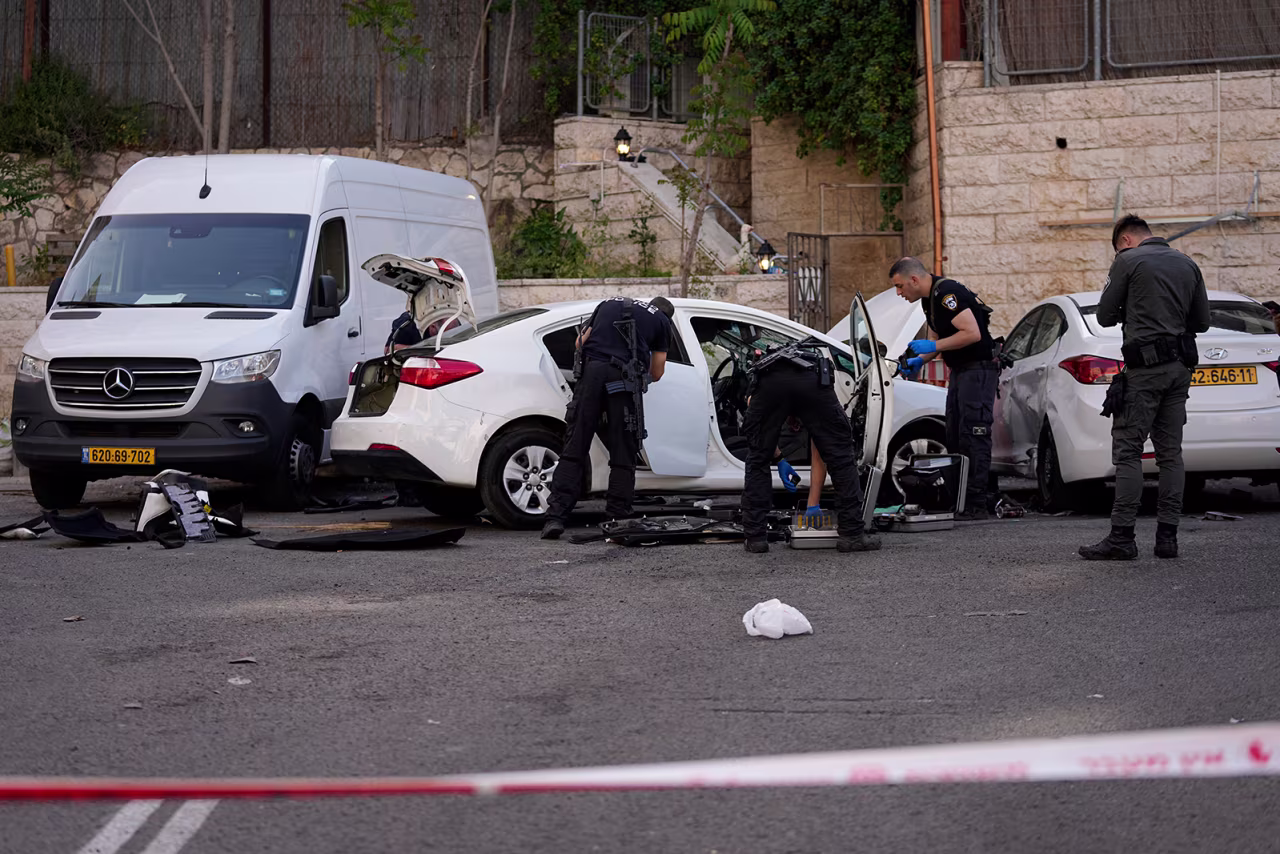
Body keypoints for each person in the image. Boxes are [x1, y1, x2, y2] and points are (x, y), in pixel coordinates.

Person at [1079, 215, 1210, 561]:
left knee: (1128, 451)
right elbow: (1202, 322)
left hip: (1144, 371)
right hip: (1179, 369)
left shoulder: (1127, 260)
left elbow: (1105, 316)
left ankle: (1122, 537)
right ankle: (1168, 538)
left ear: (1124, 239)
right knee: (1171, 454)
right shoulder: (1188, 263)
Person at [540, 296, 675, 539]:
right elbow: (657, 371)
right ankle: (617, 517)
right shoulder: (662, 320)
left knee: (575, 447)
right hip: (622, 382)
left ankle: (555, 517)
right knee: (623, 451)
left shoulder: (610, 303)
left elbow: (581, 342)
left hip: (591, 375)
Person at [739, 339, 880, 553]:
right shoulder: (820, 386)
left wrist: (775, 457)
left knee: (757, 459)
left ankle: (756, 538)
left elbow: (760, 441)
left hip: (771, 384)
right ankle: (851, 534)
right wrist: (781, 460)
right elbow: (827, 451)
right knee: (841, 458)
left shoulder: (762, 380)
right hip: (811, 381)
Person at [888, 257, 997, 520]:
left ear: (914, 279)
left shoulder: (948, 293)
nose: (899, 293)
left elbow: (972, 333)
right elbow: (936, 339)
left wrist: (933, 348)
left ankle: (977, 503)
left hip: (978, 369)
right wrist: (918, 360)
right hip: (961, 371)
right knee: (956, 435)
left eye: (900, 286)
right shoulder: (930, 299)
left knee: (974, 433)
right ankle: (961, 499)